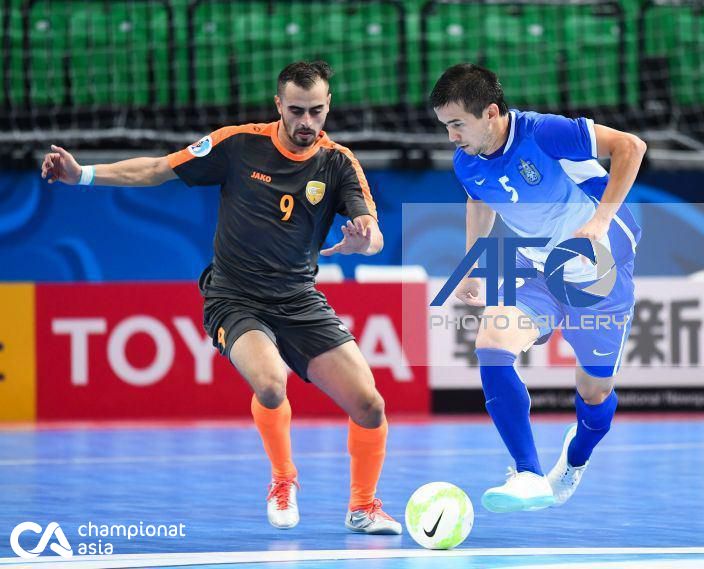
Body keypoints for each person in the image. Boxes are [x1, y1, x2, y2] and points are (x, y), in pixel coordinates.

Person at [40, 61, 402, 535]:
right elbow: (155, 170)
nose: (306, 123)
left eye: (316, 112)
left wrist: (364, 242)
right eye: (296, 111)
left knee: (369, 403)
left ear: (328, 106)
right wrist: (81, 174)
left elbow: (371, 233)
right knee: (271, 384)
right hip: (235, 297)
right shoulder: (237, 144)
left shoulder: (338, 162)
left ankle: (363, 506)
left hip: (299, 299)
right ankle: (283, 479)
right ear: (278, 105)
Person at [430, 63, 645, 512]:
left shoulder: (544, 133)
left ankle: (573, 461)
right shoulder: (466, 160)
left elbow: (631, 146)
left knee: (594, 393)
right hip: (538, 269)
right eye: (445, 126)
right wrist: (471, 266)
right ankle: (527, 473)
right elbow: (478, 200)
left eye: (456, 125)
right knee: (492, 343)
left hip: (598, 272)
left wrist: (600, 219)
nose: (451, 136)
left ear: (490, 112)